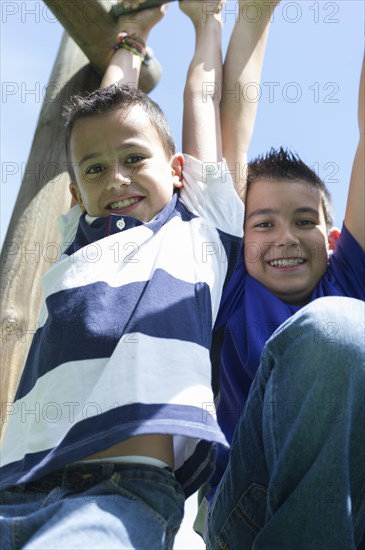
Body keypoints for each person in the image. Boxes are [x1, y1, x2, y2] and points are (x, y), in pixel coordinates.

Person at [0, 2, 244, 549]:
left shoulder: (196, 227)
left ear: (178, 171)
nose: (116, 177)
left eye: (135, 159)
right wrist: (130, 39)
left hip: (121, 490)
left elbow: (197, 102)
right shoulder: (78, 238)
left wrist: (207, 22)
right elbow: (99, 118)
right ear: (75, 193)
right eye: (95, 170)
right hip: (15, 484)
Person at [205, 39, 365, 550]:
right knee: (336, 329)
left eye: (303, 221)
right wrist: (257, 16)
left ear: (333, 238)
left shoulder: (344, 281)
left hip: (349, 497)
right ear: (240, 234)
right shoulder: (234, 287)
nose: (285, 238)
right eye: (263, 223)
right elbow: (231, 140)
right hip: (248, 504)